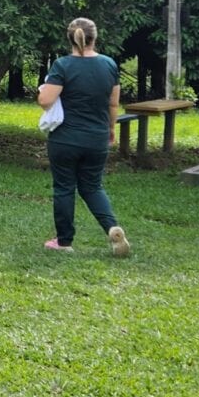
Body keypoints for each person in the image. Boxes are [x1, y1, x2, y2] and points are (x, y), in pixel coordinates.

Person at [37, 17, 131, 256]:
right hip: (97, 137)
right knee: (92, 186)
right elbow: (113, 104)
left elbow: (46, 100)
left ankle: (64, 242)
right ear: (94, 37)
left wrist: (43, 91)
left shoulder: (62, 65)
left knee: (64, 187)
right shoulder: (109, 64)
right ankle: (112, 227)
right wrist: (110, 129)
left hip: (65, 138)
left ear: (70, 38)